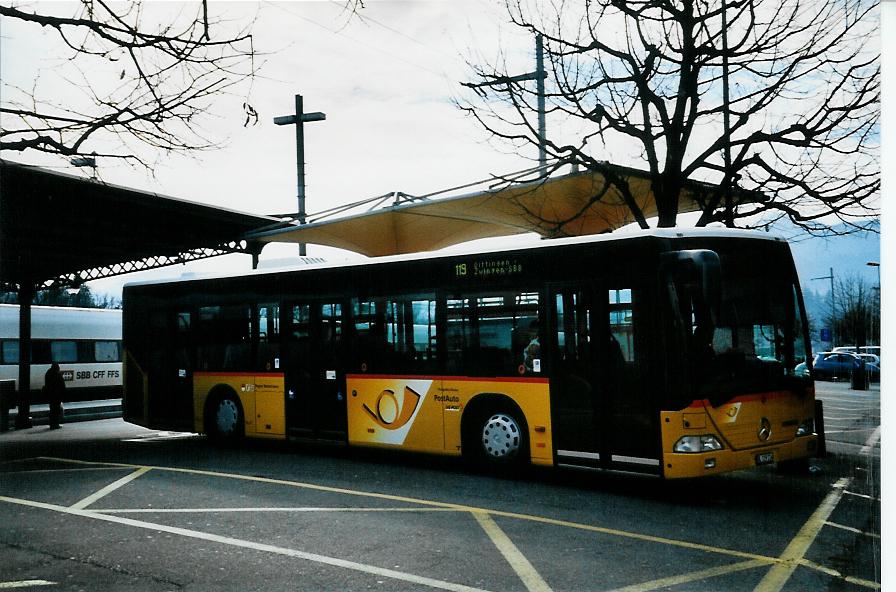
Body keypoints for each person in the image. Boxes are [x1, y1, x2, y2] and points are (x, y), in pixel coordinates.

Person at [44, 363, 65, 429]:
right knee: (56, 411)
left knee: (52, 410)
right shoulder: (57, 374)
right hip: (56, 396)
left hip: (50, 395)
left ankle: (52, 424)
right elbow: (62, 385)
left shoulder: (48, 373)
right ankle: (55, 424)